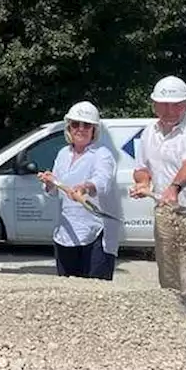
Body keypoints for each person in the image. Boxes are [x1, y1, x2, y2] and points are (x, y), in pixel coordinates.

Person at [130, 76, 186, 304]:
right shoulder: (149, 132)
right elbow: (142, 168)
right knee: (168, 273)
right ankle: (173, 320)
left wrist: (174, 188)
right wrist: (143, 183)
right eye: (163, 104)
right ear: (154, 105)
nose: (169, 110)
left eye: (176, 104)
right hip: (166, 211)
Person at [38, 101, 120, 280]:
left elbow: (102, 181)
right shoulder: (62, 154)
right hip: (66, 232)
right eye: (76, 124)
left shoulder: (102, 154)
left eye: (86, 125)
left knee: (95, 291)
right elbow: (54, 189)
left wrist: (86, 187)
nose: (80, 129)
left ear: (94, 129)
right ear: (69, 127)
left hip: (96, 232)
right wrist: (50, 182)